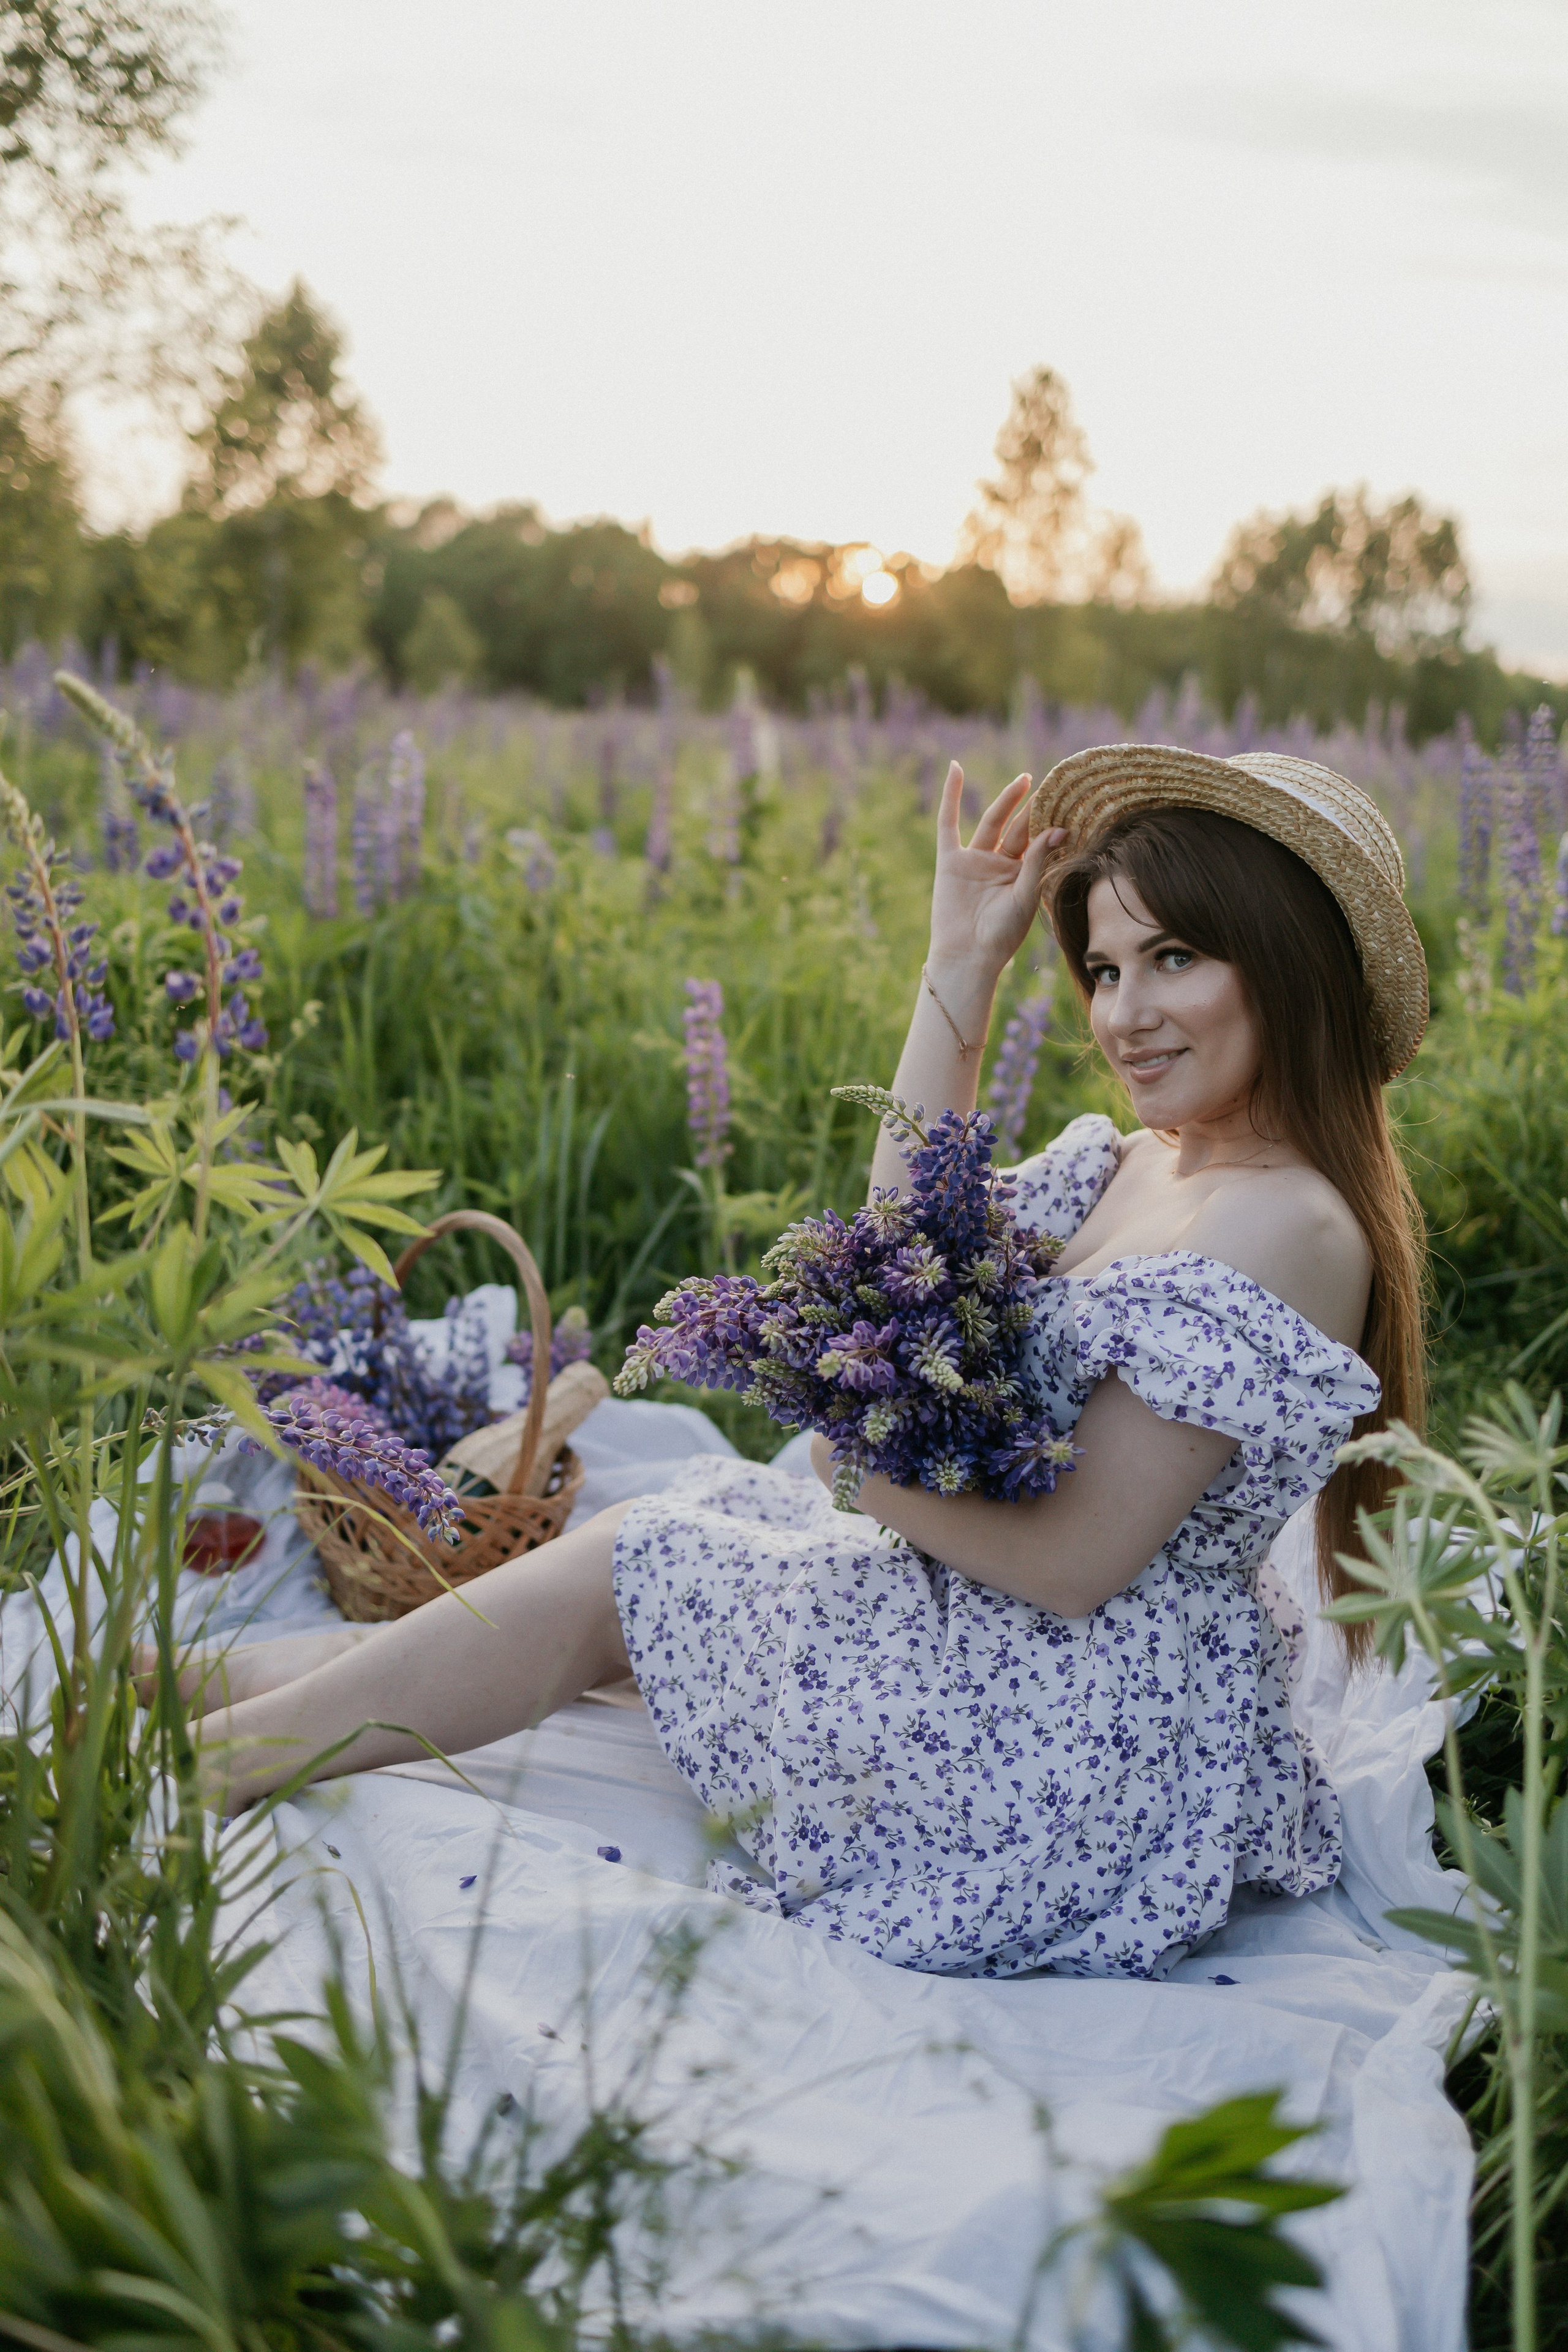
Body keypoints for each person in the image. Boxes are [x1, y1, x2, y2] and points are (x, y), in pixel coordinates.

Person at [173, 743, 1430, 1982]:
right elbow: (897, 1257)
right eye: (1101, 968)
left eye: (1172, 958)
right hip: (1020, 1661)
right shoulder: (1148, 1160)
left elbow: (1070, 1563)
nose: (1122, 1014)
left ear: (1284, 959)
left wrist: (855, 1472)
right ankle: (204, 1688)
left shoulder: (1286, 1223)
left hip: (1067, 1745)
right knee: (704, 1529)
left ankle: (205, 1766)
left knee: (643, 1559)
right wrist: (960, 965)